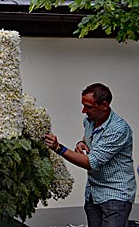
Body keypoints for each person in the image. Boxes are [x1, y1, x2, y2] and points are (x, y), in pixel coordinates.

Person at [44, 83, 136, 227]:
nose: (83, 110)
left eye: (89, 107)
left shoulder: (118, 129)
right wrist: (81, 142)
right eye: (83, 105)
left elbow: (91, 162)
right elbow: (92, 139)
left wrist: (58, 148)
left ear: (104, 105)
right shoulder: (89, 121)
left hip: (115, 196)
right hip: (94, 193)